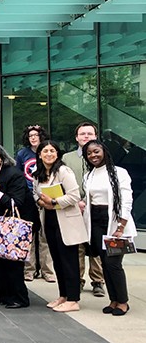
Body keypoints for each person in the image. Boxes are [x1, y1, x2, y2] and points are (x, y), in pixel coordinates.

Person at [33, 140, 87, 313]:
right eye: (45, 151)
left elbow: (74, 196)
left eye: (52, 151)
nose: (49, 154)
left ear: (57, 154)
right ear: (40, 154)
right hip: (49, 220)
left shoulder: (63, 171)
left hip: (66, 220)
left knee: (69, 261)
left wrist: (54, 202)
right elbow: (35, 193)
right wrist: (41, 201)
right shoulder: (38, 174)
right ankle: (63, 295)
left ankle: (73, 299)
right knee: (57, 260)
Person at [83, 140, 136, 316]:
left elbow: (126, 200)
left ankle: (123, 302)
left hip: (114, 221)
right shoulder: (89, 175)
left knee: (113, 263)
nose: (93, 155)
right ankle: (113, 300)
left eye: (96, 151)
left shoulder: (119, 173)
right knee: (104, 263)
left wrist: (121, 226)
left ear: (104, 151)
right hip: (96, 222)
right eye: (89, 153)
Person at [0, 142, 32, 309]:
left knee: (13, 262)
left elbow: (16, 202)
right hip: (0, 224)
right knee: (0, 261)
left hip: (16, 224)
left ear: (1, 156)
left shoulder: (13, 174)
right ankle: (6, 296)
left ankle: (20, 298)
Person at [62, 122, 105, 297]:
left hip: (95, 207)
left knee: (95, 244)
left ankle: (98, 281)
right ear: (76, 137)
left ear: (95, 136)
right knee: (77, 245)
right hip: (74, 206)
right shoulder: (67, 158)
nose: (86, 136)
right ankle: (77, 280)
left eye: (90, 134)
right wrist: (77, 201)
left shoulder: (102, 157)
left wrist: (88, 201)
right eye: (82, 134)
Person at [16, 125, 55, 283]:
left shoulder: (48, 151)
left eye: (36, 135)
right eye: (30, 135)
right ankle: (29, 269)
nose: (33, 138)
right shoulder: (22, 154)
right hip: (28, 199)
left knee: (45, 236)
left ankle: (47, 270)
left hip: (46, 196)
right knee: (29, 236)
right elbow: (18, 174)